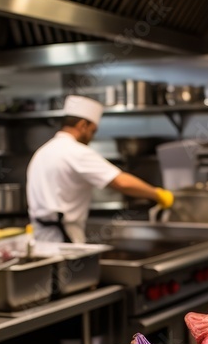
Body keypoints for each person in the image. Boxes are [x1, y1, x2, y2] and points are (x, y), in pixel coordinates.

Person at [26, 95, 173, 243]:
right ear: (83, 125)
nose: (91, 137)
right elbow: (122, 182)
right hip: (64, 241)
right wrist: (157, 194)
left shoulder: (43, 151)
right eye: (92, 131)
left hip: (39, 239)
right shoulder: (76, 151)